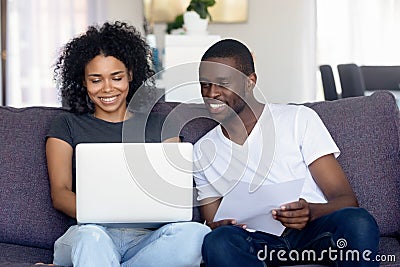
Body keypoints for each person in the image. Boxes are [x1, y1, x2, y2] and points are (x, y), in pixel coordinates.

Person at [193, 39, 380, 266]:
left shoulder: (298, 119)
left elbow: (347, 200)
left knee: (358, 221)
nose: (211, 93)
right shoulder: (202, 150)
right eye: (205, 84)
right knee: (218, 241)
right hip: (256, 241)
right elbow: (213, 221)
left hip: (312, 233)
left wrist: (310, 212)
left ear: (250, 82)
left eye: (222, 83)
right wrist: (218, 226)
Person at [46, 21, 210, 267]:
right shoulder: (66, 125)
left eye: (116, 77)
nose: (108, 88)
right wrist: (107, 214)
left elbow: (175, 196)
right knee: (92, 240)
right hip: (90, 233)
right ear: (83, 81)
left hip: (146, 240)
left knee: (197, 236)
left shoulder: (160, 126)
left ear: (130, 75)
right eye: (96, 80)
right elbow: (60, 194)